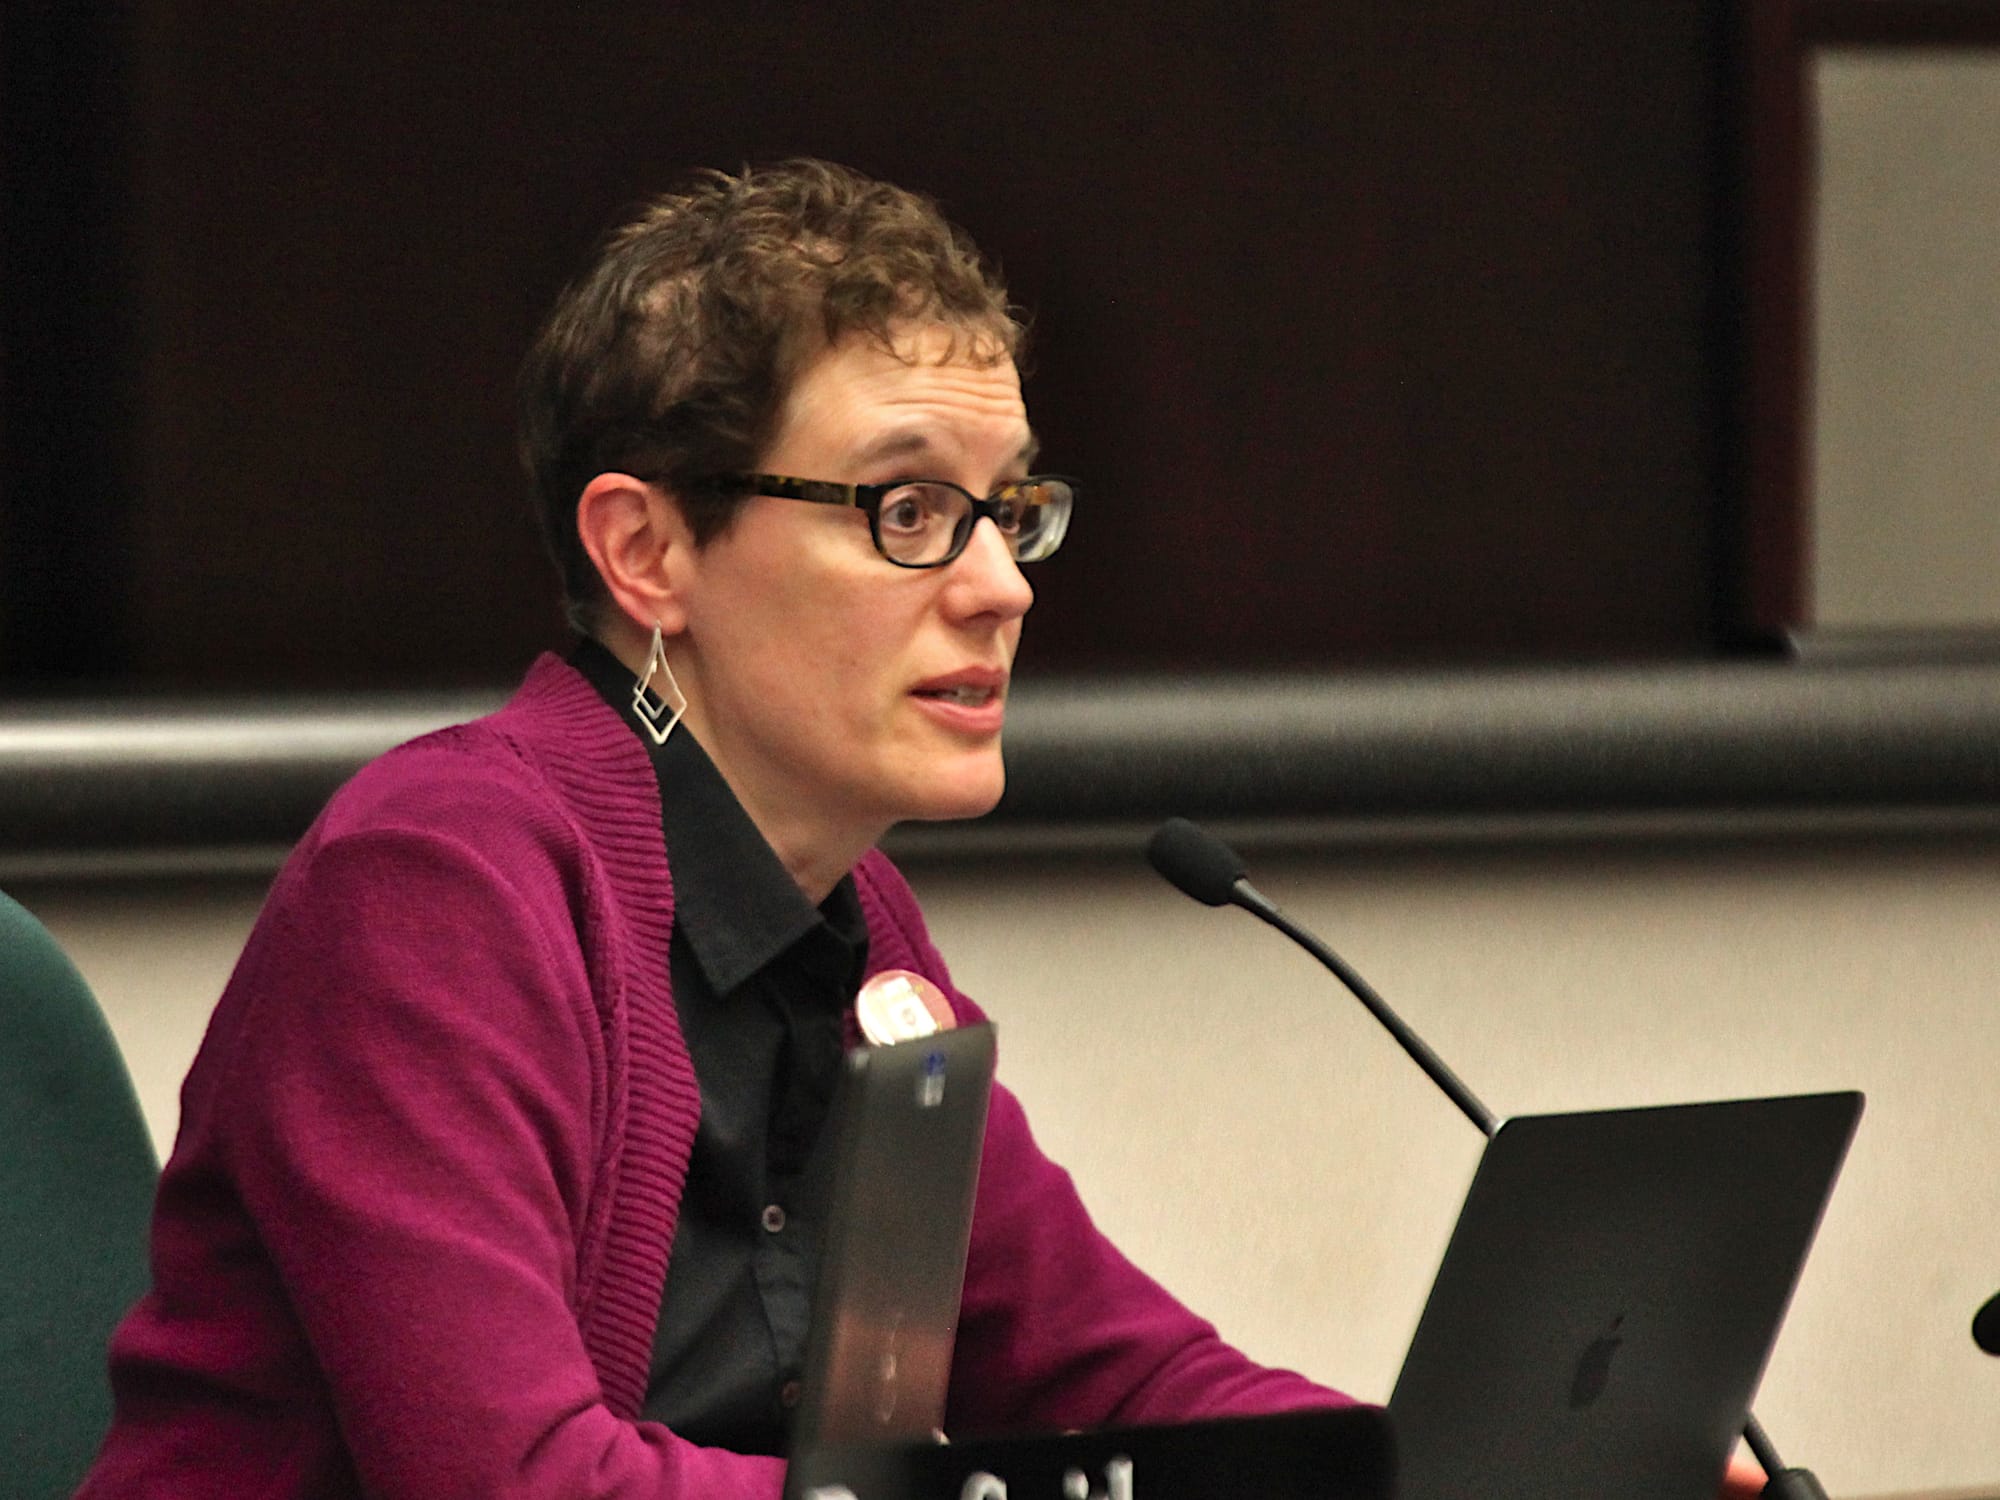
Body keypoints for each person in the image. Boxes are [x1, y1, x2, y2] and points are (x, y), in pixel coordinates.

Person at [78, 160, 1349, 1499]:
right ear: (649, 553)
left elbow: (1124, 1378)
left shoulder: (860, 935)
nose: (998, 587)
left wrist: (1402, 1463)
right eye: (909, 510)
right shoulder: (436, 890)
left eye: (1011, 511)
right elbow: (517, 1484)